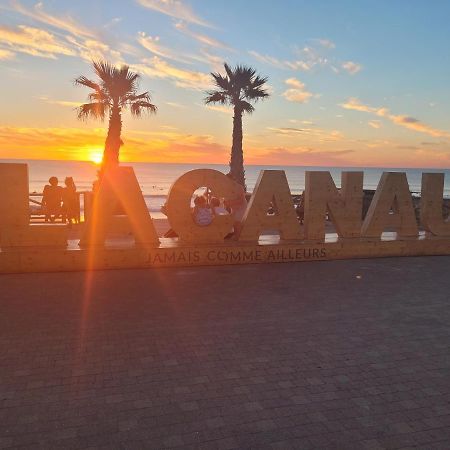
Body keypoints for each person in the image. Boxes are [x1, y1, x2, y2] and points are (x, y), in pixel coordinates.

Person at [224, 174, 247, 238]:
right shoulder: (227, 188)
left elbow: (241, 200)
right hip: (234, 207)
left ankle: (238, 237)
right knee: (234, 222)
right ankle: (236, 236)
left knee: (237, 222)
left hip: (241, 207)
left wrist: (229, 202)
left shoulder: (239, 187)